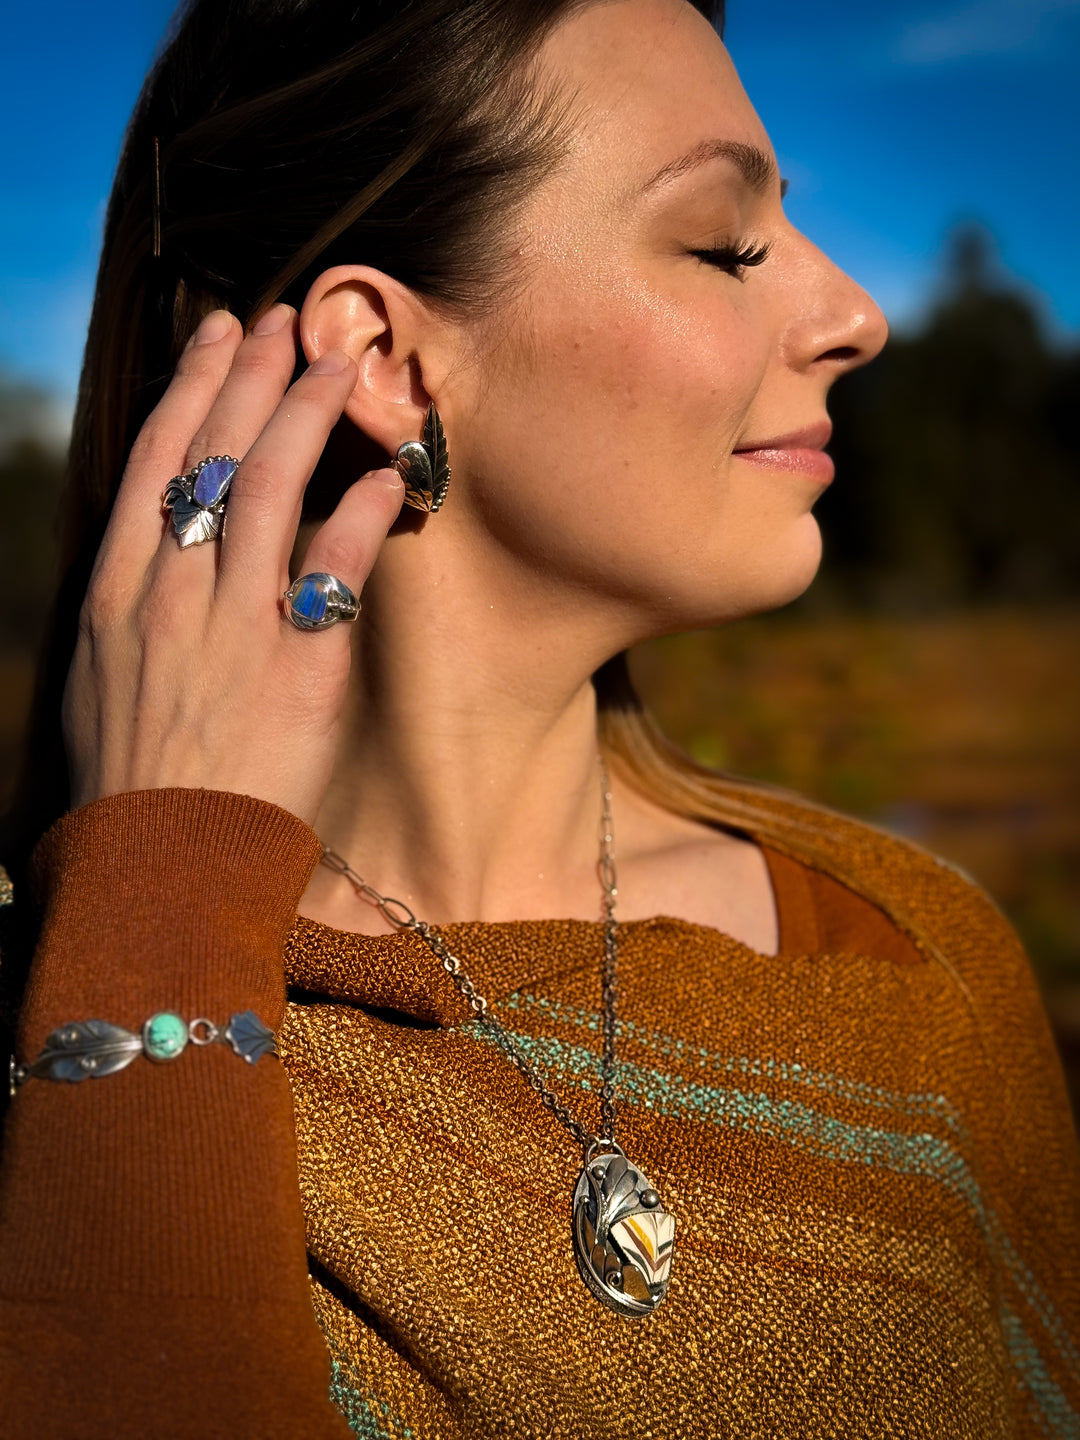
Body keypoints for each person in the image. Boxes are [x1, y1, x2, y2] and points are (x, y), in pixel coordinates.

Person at [0, 0, 1077, 1434]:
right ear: (383, 357)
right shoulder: (68, 985)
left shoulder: (908, 964)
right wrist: (155, 902)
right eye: (725, 244)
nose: (854, 317)